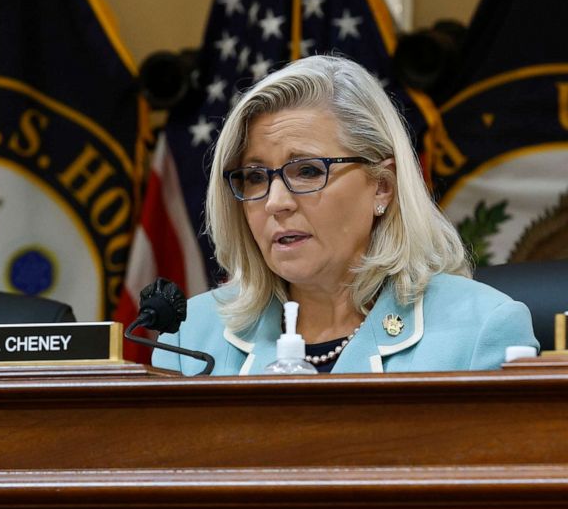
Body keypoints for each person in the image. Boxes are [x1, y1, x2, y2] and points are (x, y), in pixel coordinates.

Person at [154, 55, 537, 375]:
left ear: (382, 186)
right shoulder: (190, 338)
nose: (275, 202)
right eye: (255, 177)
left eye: (307, 171)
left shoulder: (481, 330)